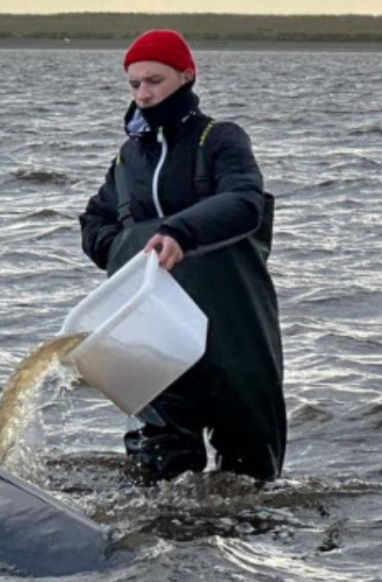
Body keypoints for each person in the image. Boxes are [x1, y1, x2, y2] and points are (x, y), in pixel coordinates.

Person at [79, 30, 286, 482]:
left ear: (186, 76)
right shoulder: (127, 158)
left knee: (253, 479)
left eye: (155, 81)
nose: (144, 94)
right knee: (155, 479)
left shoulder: (220, 138)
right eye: (135, 84)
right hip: (155, 338)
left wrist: (180, 232)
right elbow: (93, 222)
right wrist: (124, 249)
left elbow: (244, 201)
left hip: (235, 331)